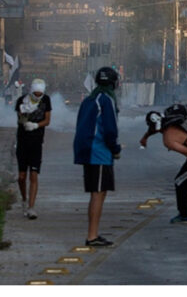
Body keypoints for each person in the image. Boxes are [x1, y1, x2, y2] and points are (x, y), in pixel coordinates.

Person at [74, 67, 122, 247]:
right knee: (98, 193)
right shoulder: (106, 100)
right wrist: (115, 148)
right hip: (99, 153)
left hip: (88, 151)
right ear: (113, 83)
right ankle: (92, 235)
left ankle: (93, 234)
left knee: (98, 192)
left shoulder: (89, 99)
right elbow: (110, 129)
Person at [14, 78, 52, 220]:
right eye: (35, 94)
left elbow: (47, 120)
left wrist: (36, 125)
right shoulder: (22, 101)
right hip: (23, 142)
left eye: (39, 94)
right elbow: (21, 118)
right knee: (22, 176)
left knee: (34, 175)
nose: (38, 96)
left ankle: (31, 207)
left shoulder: (46, 100)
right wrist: (26, 122)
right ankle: (24, 199)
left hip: (37, 142)